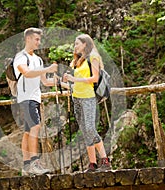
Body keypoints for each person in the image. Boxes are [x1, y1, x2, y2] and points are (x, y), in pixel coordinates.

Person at [63, 34, 111, 172]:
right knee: (85, 131)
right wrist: (67, 80)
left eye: (77, 43)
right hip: (76, 97)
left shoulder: (93, 57)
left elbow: (94, 78)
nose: (75, 46)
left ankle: (105, 160)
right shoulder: (78, 61)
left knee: (90, 128)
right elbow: (77, 81)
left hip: (88, 97)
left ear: (85, 44)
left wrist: (74, 79)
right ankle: (92, 163)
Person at [13, 27, 58, 175]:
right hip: (26, 98)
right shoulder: (21, 57)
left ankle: (26, 166)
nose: (39, 42)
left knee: (28, 131)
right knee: (35, 127)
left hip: (35, 98)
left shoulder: (38, 59)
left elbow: (45, 82)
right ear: (28, 39)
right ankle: (34, 162)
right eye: (36, 39)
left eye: (39, 39)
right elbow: (26, 73)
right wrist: (47, 69)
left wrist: (62, 82)